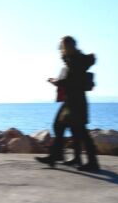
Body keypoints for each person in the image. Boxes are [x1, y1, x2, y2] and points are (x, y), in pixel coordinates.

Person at [36, 36, 100, 172]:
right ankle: (64, 157)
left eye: (61, 47)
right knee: (70, 129)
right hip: (73, 100)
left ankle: (90, 162)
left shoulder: (74, 61)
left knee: (76, 130)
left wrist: (55, 82)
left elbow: (70, 81)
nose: (59, 50)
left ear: (66, 47)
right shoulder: (75, 59)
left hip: (75, 101)